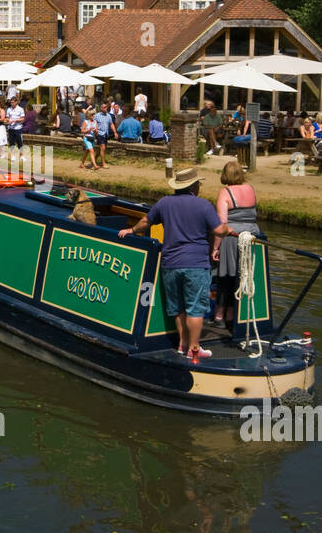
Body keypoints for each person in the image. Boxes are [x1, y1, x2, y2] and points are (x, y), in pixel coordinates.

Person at [117, 167, 232, 362]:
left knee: (178, 307)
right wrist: (227, 229)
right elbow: (219, 230)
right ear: (194, 186)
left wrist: (131, 230)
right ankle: (194, 349)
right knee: (195, 308)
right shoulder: (203, 206)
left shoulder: (164, 203)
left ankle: (182, 344)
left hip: (170, 263)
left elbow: (146, 221)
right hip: (195, 264)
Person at [212, 161, 258, 331]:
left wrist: (216, 247)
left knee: (225, 276)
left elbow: (222, 222)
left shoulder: (225, 192)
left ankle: (219, 316)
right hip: (252, 235)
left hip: (232, 236)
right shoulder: (251, 189)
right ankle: (232, 316)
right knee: (242, 276)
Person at [94, 102, 116, 168]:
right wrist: (96, 130)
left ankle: (94, 159)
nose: (106, 109)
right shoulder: (97, 116)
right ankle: (103, 163)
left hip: (106, 134)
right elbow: (94, 123)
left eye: (106, 107)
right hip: (100, 134)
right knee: (102, 148)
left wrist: (115, 132)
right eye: (104, 107)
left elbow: (111, 124)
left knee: (101, 149)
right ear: (101, 108)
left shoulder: (108, 116)